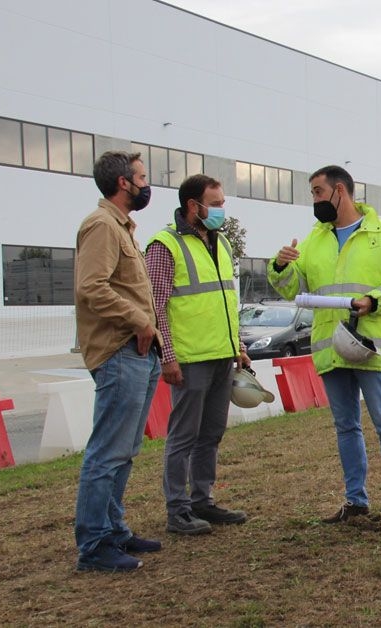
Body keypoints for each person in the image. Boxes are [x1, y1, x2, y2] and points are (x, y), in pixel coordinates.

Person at [268, 165, 381, 525]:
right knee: (346, 426)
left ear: (341, 191)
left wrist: (374, 300)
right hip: (330, 348)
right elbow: (293, 289)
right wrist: (279, 266)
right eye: (313, 194)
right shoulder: (314, 240)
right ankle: (356, 501)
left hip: (370, 345)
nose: (315, 200)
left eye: (318, 192)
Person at [73, 150, 163, 572]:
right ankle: (93, 545)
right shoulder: (101, 226)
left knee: (124, 450)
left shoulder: (123, 228)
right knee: (106, 453)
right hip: (118, 351)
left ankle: (114, 530)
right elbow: (91, 287)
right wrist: (140, 321)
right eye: (142, 177)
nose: (147, 184)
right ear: (123, 182)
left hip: (140, 351)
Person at [146, 174, 251, 536]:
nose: (222, 210)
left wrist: (238, 345)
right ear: (194, 206)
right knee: (182, 437)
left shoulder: (220, 244)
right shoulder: (164, 245)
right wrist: (168, 357)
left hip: (221, 355)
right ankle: (178, 510)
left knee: (211, 434)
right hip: (189, 360)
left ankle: (201, 500)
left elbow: (226, 299)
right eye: (216, 203)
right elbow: (155, 307)